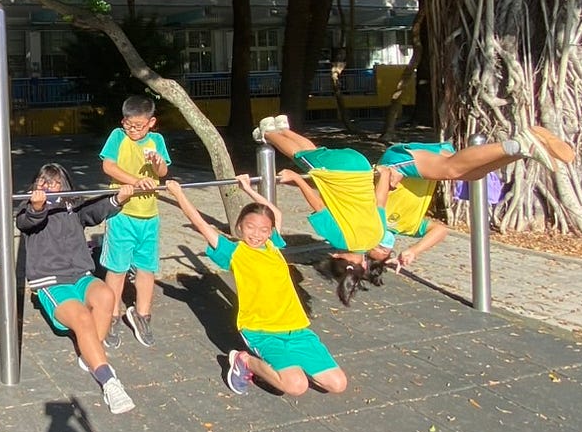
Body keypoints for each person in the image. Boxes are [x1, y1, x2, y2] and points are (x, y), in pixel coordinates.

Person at [167, 176, 348, 398]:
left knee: (337, 384)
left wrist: (248, 188)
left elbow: (275, 213)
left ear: (270, 232)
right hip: (262, 331)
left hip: (297, 329)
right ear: (239, 227)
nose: (256, 234)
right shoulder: (234, 252)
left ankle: (289, 367)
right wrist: (178, 193)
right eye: (250, 227)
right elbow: (200, 223)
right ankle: (244, 360)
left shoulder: (273, 245)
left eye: (263, 229)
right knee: (296, 386)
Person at [16, 164, 137, 414]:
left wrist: (118, 199)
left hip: (80, 275)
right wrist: (37, 208)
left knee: (106, 296)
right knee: (82, 317)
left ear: (65, 186)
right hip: (51, 281)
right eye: (42, 181)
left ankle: (90, 354)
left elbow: (95, 211)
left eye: (55, 182)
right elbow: (25, 222)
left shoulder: (73, 206)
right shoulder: (29, 206)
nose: (48, 187)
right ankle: (109, 381)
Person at [371, 127, 578, 268]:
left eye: (378, 247)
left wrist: (383, 175)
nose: (384, 246)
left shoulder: (371, 222)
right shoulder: (408, 227)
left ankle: (519, 144)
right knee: (472, 174)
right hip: (423, 171)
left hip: (396, 164)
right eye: (386, 251)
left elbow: (372, 195)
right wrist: (414, 251)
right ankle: (523, 151)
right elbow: (440, 230)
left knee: (452, 170)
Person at [254, 114, 385, 255]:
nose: (335, 255)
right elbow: (319, 206)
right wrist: (297, 179)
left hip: (362, 166)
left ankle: (283, 129)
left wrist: (385, 176)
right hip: (339, 172)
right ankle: (268, 133)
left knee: (312, 153)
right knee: (298, 155)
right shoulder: (342, 242)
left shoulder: (378, 237)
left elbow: (381, 202)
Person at [98, 95, 172, 347]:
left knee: (146, 268)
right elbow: (108, 166)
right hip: (123, 214)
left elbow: (163, 172)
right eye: (129, 125)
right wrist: (135, 181)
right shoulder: (118, 137)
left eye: (139, 126)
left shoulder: (157, 141)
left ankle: (142, 314)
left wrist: (158, 164)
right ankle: (111, 315)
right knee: (117, 269)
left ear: (151, 122)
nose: (133, 130)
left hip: (149, 215)